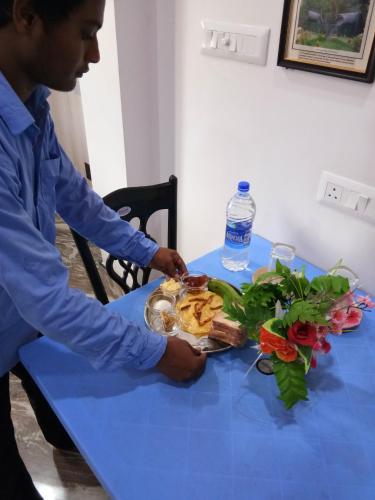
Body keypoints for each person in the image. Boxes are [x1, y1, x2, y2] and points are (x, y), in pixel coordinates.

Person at [0, 0, 207, 497]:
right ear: (26, 16)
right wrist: (158, 353)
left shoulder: (32, 107)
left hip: (22, 325)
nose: (94, 54)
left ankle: (69, 446)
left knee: (74, 416)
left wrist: (148, 251)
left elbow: (78, 200)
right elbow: (47, 297)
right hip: (20, 316)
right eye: (87, 31)